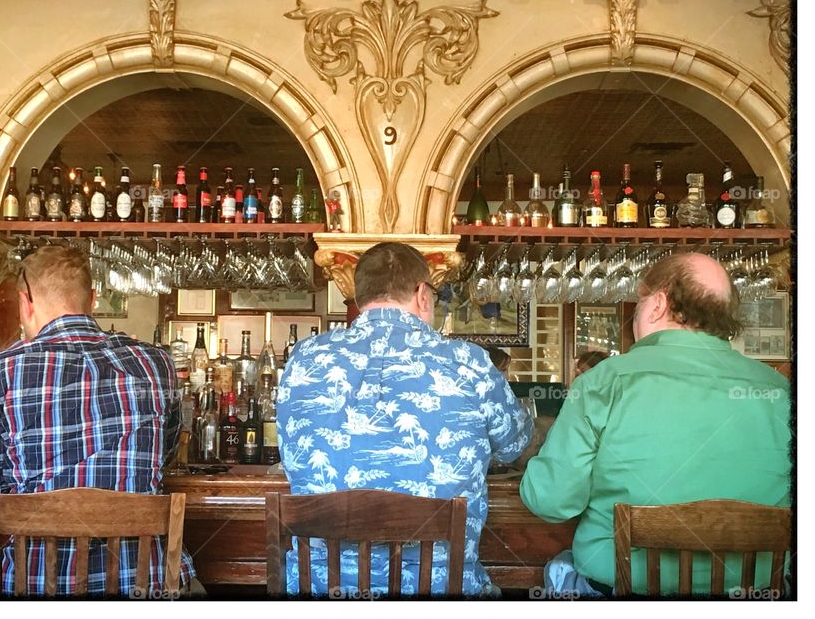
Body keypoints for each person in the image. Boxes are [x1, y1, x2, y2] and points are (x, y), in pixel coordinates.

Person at [520, 252, 790, 596]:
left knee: (560, 568)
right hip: (757, 597)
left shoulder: (604, 381)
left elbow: (551, 502)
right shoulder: (780, 391)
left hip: (624, 595)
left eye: (639, 300)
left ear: (658, 304)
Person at [277, 242, 532, 596]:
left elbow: (288, 450)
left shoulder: (304, 360)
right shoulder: (469, 362)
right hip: (442, 594)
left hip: (320, 592)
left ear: (359, 296)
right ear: (423, 295)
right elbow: (514, 445)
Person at [0, 246, 196, 596]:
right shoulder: (156, 363)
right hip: (141, 584)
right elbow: (165, 453)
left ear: (24, 303)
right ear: (92, 299)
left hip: (34, 586)